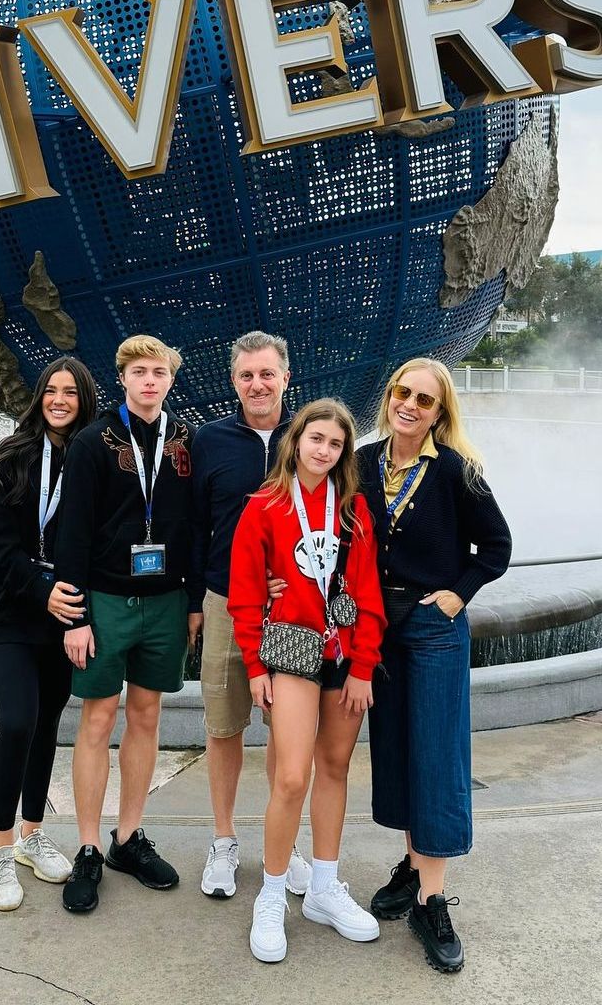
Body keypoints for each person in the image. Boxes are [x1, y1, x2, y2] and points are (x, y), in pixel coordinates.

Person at [357, 358, 512, 974]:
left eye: (426, 399)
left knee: (439, 753)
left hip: (431, 628)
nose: (411, 405)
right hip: (377, 626)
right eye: (403, 392)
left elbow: (496, 546)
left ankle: (433, 899)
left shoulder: (455, 470)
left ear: (440, 412)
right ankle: (413, 862)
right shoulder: (363, 462)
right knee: (395, 748)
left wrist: (458, 592)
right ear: (389, 397)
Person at [228, 399, 386, 964]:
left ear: (344, 452)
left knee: (336, 767)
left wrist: (365, 665)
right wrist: (252, 666)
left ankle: (323, 887)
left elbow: (368, 593)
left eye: (336, 444)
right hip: (292, 650)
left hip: (344, 652)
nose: (324, 450)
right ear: (296, 441)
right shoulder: (264, 507)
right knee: (292, 776)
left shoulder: (354, 511)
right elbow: (245, 595)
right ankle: (272, 894)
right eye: (316, 438)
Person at [50, 334, 200, 914]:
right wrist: (76, 615)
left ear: (170, 379)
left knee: (146, 713)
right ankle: (88, 844)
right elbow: (73, 531)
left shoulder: (184, 440)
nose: (149, 381)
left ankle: (128, 836)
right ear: (123, 379)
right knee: (98, 717)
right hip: (107, 598)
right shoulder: (92, 442)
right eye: (139, 371)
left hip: (164, 598)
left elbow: (192, 524)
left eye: (159, 372)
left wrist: (191, 602)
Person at [189, 331, 311, 900]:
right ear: (232, 381)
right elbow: (193, 528)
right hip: (222, 602)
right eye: (246, 376)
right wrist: (193, 601)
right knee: (224, 726)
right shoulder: (209, 441)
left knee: (286, 737)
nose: (257, 385)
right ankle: (223, 840)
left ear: (286, 376)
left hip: (293, 611)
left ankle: (280, 845)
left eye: (267, 374)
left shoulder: (311, 437)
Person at [0, 356, 98, 911]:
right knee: (18, 720)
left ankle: (31, 833)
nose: (60, 400)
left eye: (71, 392)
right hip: (12, 613)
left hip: (62, 614)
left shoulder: (93, 459)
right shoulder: (14, 457)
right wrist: (39, 588)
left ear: (84, 399)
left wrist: (74, 607)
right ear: (39, 396)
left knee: (47, 724)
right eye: (52, 390)